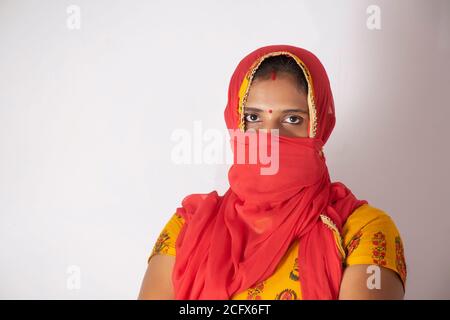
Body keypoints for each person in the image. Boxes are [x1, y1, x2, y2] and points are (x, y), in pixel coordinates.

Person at [138, 45, 407, 300]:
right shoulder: (188, 227)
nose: (269, 138)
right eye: (253, 118)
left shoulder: (362, 231)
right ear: (235, 122)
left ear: (320, 127)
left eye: (292, 119)